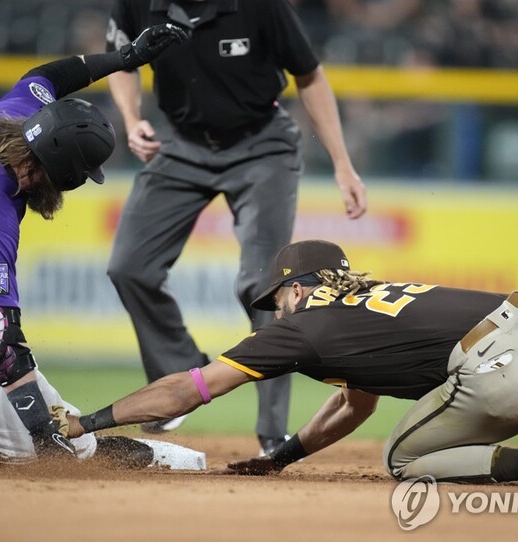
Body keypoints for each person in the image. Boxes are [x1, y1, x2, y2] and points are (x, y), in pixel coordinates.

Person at [69, 239, 518, 488]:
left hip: (502, 369)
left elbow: (188, 389)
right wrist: (281, 458)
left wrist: (88, 422)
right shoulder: (373, 299)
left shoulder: (303, 326)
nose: (275, 313)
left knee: (402, 460)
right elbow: (354, 403)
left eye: (276, 300)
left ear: (299, 288)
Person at [0, 23, 189, 464]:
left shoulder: (15, 116)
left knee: (67, 431)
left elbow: (47, 76)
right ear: (59, 171)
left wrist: (125, 58)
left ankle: (86, 449)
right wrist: (43, 437)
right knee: (16, 448)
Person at [104, 0, 367, 455]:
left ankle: (272, 433)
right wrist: (131, 118)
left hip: (261, 145)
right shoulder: (138, 3)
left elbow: (310, 76)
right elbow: (122, 61)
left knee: (263, 286)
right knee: (129, 267)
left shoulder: (260, 6)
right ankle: (180, 374)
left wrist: (343, 164)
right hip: (181, 144)